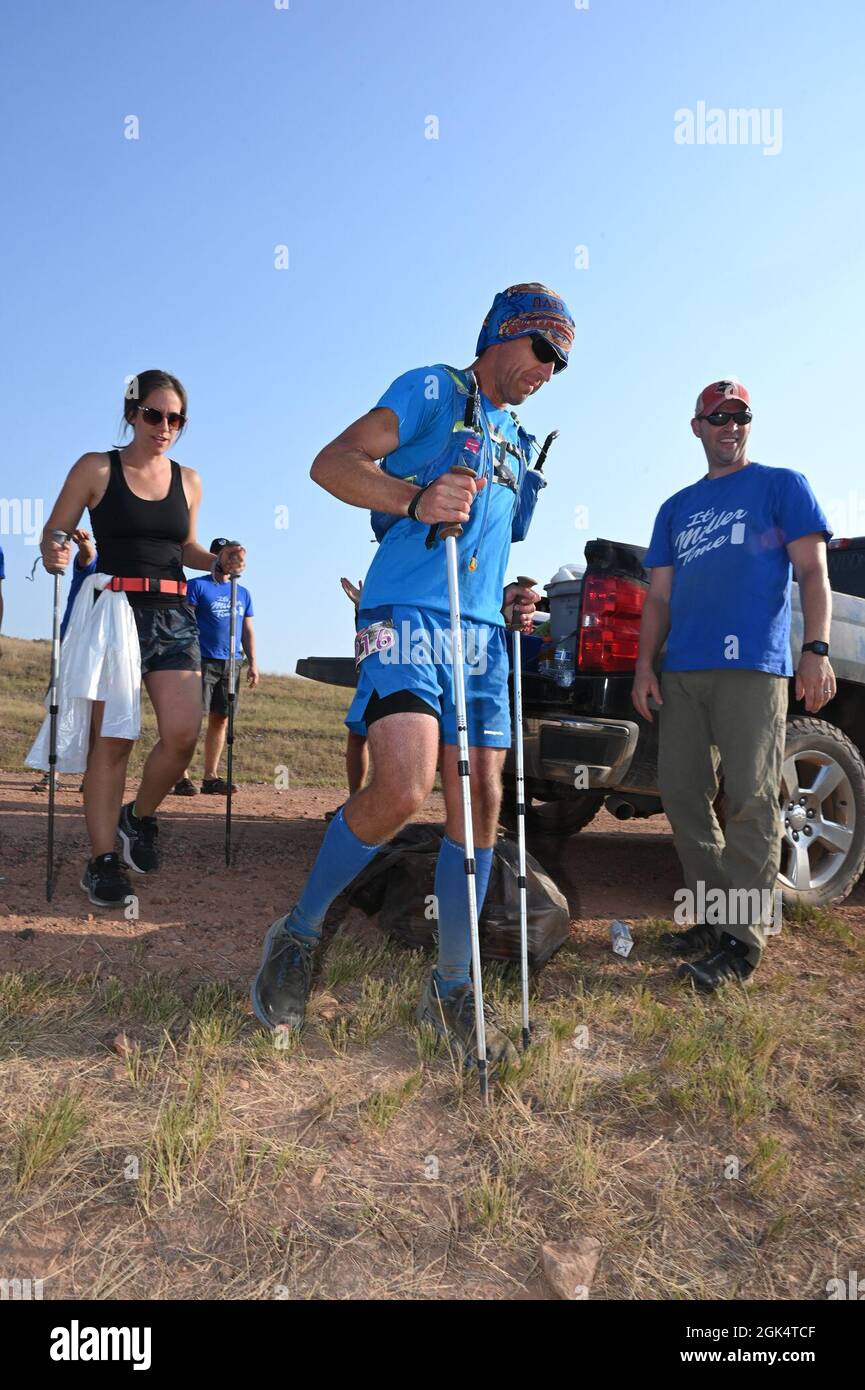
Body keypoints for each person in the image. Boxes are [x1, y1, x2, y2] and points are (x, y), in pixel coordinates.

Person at [251, 282, 573, 1069]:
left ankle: (453, 987)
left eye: (561, 362)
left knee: (482, 798)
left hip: (482, 631)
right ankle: (297, 931)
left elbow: (487, 543)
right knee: (402, 786)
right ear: (501, 334)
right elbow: (333, 463)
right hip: (406, 615)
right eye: (542, 350)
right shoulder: (436, 388)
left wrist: (512, 596)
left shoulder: (514, 440)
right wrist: (414, 498)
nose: (549, 369)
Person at [632, 379, 833, 993]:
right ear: (697, 427)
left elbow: (812, 571)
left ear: (750, 424)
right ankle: (714, 916)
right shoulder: (676, 508)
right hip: (684, 669)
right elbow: (659, 597)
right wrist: (645, 665)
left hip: (753, 667)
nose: (730, 425)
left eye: (739, 416)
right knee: (684, 794)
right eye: (717, 417)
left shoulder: (781, 485)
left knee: (749, 798)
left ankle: (742, 944)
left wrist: (816, 650)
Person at [35, 370, 245, 907]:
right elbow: (55, 529)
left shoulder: (188, 479)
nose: (165, 426)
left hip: (173, 612)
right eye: (154, 414)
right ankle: (102, 860)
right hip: (115, 613)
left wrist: (217, 557)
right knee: (114, 741)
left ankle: (139, 817)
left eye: (176, 418)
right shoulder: (96, 467)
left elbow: (188, 548)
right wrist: (55, 548)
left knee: (182, 735)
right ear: (132, 414)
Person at [173, 537, 259, 796]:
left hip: (231, 661)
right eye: (223, 554)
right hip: (201, 659)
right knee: (191, 719)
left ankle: (211, 777)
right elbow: (183, 621)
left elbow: (247, 629)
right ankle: (180, 776)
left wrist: (253, 662)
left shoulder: (242, 592)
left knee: (220, 718)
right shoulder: (196, 586)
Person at [31, 528, 97, 793]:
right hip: (71, 643)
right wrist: (85, 544)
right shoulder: (94, 562)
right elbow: (87, 557)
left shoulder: (128, 567)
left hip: (102, 648)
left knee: (96, 712)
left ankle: (91, 775)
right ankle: (52, 772)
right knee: (58, 706)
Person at [324, 577, 370, 821]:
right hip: (372, 675)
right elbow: (366, 635)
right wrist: (359, 608)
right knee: (357, 737)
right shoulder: (374, 604)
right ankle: (356, 802)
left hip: (399, 675)